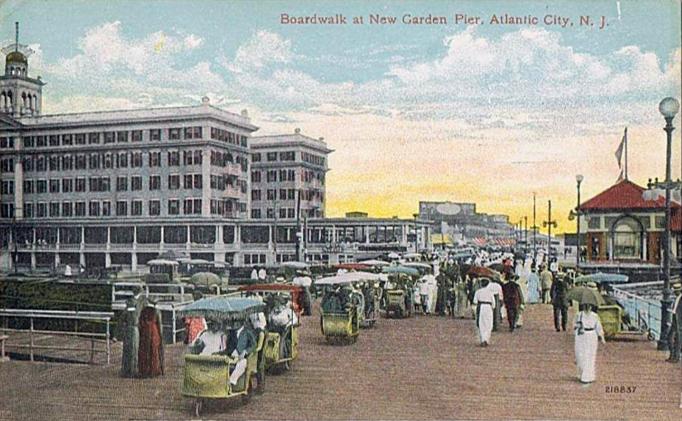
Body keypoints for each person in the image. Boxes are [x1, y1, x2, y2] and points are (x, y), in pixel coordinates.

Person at [574, 304, 605, 384]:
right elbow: (574, 325)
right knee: (580, 355)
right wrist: (577, 326)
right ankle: (582, 372)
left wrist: (601, 336)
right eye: (586, 305)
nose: (587, 307)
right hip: (581, 336)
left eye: (589, 306)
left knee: (590, 355)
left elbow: (598, 326)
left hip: (591, 335)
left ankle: (588, 375)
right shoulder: (579, 314)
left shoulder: (595, 316)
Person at [138, 305, 164, 377]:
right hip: (153, 332)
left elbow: (140, 322)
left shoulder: (143, 311)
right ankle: (153, 370)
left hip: (145, 332)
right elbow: (159, 324)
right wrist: (160, 335)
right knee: (154, 351)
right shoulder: (156, 311)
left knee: (144, 351)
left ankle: (144, 370)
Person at [473, 278, 496, 347]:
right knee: (489, 324)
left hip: (481, 307)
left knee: (481, 324)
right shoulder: (490, 292)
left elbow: (475, 301)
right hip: (488, 307)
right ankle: (486, 339)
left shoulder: (478, 291)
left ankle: (483, 339)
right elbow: (493, 304)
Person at [667, 284, 682, 362]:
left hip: (679, 321)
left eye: (676, 291)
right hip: (674, 319)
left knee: (678, 339)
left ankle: (676, 357)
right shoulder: (676, 298)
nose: (675, 292)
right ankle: (672, 355)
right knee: (669, 337)